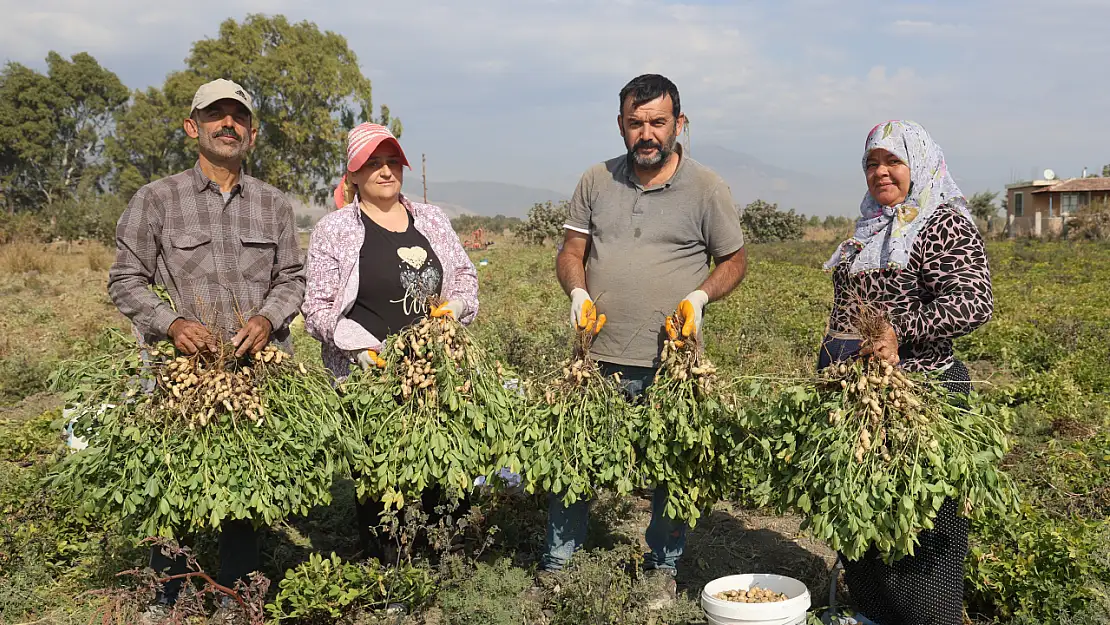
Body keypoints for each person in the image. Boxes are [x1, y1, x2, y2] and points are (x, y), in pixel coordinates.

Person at [107, 78, 306, 618]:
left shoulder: (273, 203)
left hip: (252, 375)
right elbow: (125, 280)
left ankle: (237, 596)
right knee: (170, 482)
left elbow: (293, 278)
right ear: (192, 127)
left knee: (242, 486)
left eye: (238, 117)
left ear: (252, 133)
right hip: (179, 378)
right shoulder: (156, 199)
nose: (228, 125)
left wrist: (268, 318)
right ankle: (165, 597)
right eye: (215, 115)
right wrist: (171, 325)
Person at [548, 74, 748, 607]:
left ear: (679, 124)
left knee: (672, 467)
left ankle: (663, 568)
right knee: (575, 458)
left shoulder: (707, 188)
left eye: (657, 122)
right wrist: (577, 292)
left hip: (672, 362)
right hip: (596, 356)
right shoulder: (596, 179)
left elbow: (734, 260)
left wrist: (701, 298)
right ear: (620, 125)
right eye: (635, 123)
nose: (646, 133)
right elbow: (571, 250)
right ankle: (560, 566)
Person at [818, 120, 993, 625]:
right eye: (871, 163)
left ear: (918, 164)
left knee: (925, 517)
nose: (880, 172)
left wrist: (901, 330)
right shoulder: (866, 230)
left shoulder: (942, 224)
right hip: (864, 393)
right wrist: (830, 364)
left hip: (926, 391)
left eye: (892, 161)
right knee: (863, 506)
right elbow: (845, 311)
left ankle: (929, 618)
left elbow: (973, 303)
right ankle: (874, 611)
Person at [301, 122, 479, 560]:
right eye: (372, 164)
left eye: (391, 162)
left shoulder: (432, 219)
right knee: (383, 482)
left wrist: (455, 308)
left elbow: (466, 277)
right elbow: (317, 307)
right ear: (354, 175)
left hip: (438, 369)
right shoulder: (335, 230)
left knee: (445, 469)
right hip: (373, 379)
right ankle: (391, 572)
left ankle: (444, 564)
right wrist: (359, 348)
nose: (385, 172)